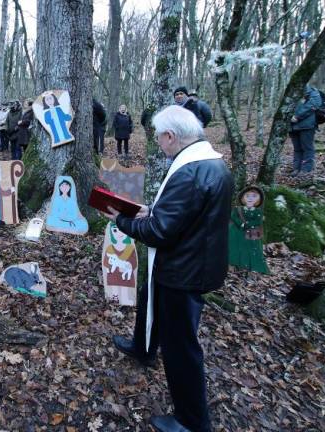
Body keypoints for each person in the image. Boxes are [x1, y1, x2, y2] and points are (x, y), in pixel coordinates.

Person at [104, 105, 232, 432]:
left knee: (181, 346)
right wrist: (151, 209)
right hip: (187, 261)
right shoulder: (211, 163)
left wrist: (122, 220)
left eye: (159, 137)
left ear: (171, 136)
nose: (159, 143)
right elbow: (186, 214)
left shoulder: (190, 172)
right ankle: (143, 347)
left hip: (183, 271)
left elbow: (159, 231)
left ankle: (192, 421)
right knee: (149, 301)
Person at [289, 84, 322, 178]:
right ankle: (296, 168)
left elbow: (314, 104)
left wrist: (297, 116)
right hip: (293, 126)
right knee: (297, 148)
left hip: (307, 126)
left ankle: (306, 169)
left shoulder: (312, 92)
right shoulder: (291, 92)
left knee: (307, 148)